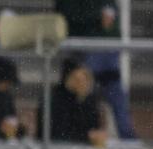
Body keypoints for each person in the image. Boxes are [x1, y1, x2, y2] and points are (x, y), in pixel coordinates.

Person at [55, 0, 137, 140]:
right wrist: (98, 18)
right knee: (85, 97)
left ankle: (129, 140)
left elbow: (113, 26)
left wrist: (107, 25)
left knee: (118, 98)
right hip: (83, 53)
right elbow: (67, 15)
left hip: (108, 54)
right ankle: (85, 137)